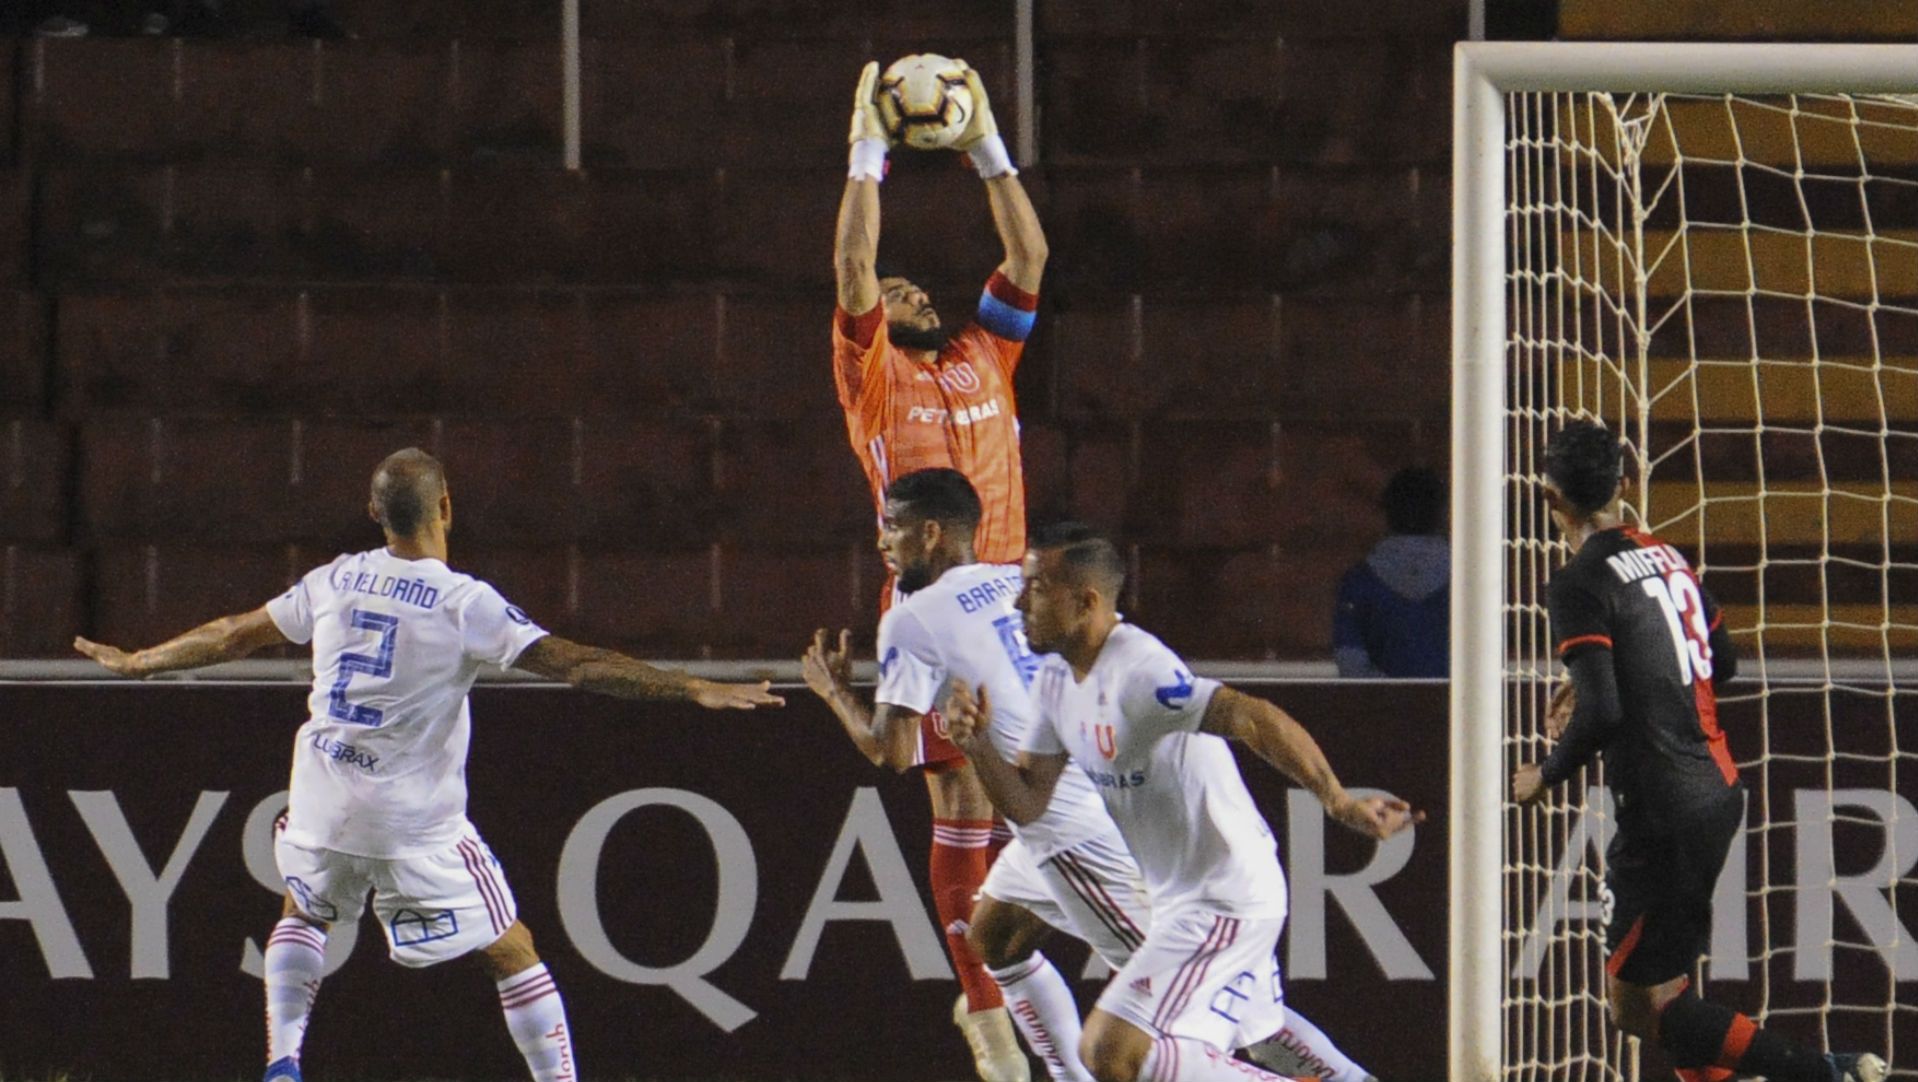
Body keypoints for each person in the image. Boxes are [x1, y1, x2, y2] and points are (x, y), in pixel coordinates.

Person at [72, 448, 783, 1082]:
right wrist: (690, 686)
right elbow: (577, 664)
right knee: (512, 950)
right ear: (446, 507)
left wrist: (142, 661)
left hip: (321, 801)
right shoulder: (463, 602)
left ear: (374, 513)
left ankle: (283, 1063)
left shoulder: (336, 579)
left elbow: (234, 634)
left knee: (305, 909)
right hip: (410, 823)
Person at [805, 471, 1382, 1082]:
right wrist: (977, 743)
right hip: (1069, 815)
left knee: (1220, 1028)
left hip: (1088, 840)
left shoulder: (916, 617)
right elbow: (1029, 785)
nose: (881, 542)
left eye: (892, 526)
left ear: (930, 533)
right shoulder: (1018, 587)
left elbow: (892, 751)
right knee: (995, 937)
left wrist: (836, 692)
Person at [945, 523, 1417, 1082]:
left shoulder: (1139, 672)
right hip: (1180, 898)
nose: (1019, 602)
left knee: (1115, 1053)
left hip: (1225, 896)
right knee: (1226, 1036)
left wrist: (1336, 800)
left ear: (1085, 602)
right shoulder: (1055, 679)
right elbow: (1028, 804)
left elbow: (1251, 716)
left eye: (1037, 589)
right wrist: (977, 745)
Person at [1511, 421, 1887, 1082]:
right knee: (1668, 991)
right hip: (1714, 791)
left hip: (1661, 812)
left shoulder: (1578, 582)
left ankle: (1827, 1072)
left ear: (1550, 498)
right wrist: (1617, 673)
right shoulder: (1665, 556)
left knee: (1637, 1009)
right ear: (1627, 483)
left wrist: (1546, 772)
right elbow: (1725, 661)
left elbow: (1602, 713)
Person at [831, 56, 1046, 1081]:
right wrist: (866, 154)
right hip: (934, 608)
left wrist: (985, 146)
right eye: (895, 288)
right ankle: (988, 1010)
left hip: (1019, 601)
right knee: (963, 807)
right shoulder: (872, 377)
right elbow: (852, 268)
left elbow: (1029, 251)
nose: (906, 288)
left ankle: (1028, 986)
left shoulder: (985, 353)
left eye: (916, 284)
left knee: (1043, 805)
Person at [1333, 465, 1449, 678]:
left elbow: (1351, 663)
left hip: (1382, 699)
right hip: (1458, 697)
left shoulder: (1357, 583)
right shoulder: (1467, 582)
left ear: (1386, 513)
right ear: (1443, 514)